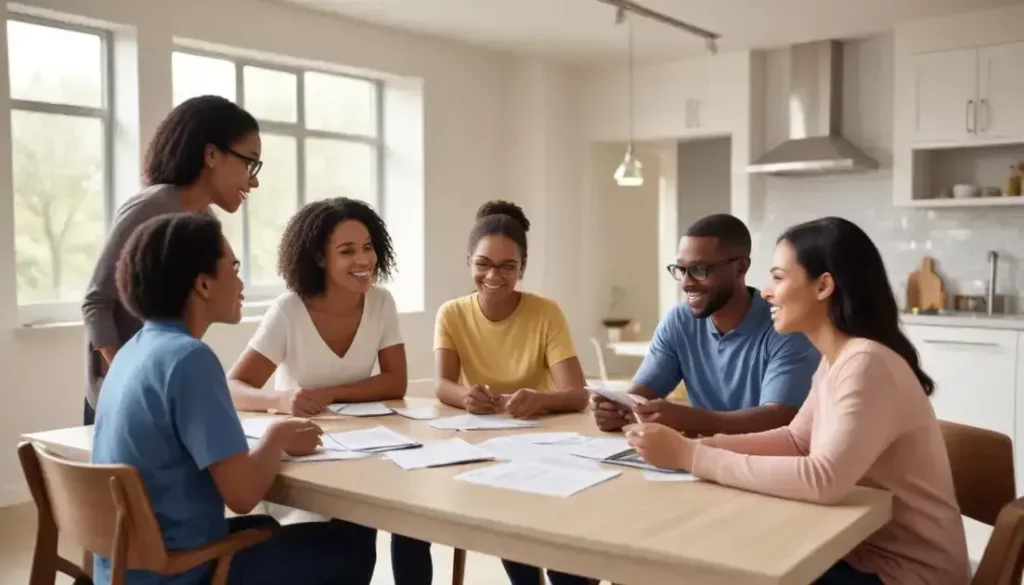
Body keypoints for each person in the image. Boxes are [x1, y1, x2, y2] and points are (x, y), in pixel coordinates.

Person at [625, 217, 971, 585]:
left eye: (778, 277)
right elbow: (795, 441)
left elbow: (823, 478)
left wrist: (690, 457)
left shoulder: (866, 363)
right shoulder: (837, 360)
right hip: (855, 554)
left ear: (823, 286)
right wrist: (697, 446)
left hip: (903, 574)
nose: (768, 292)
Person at [91, 213, 376, 585]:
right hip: (182, 570)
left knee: (269, 525)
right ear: (203, 285)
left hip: (125, 568)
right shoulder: (190, 359)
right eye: (234, 267)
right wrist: (279, 436)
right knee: (353, 541)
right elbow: (242, 495)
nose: (241, 281)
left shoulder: (133, 350)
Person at [227, 197, 431, 585]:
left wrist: (329, 393)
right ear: (320, 259)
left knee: (411, 518)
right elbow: (233, 386)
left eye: (368, 247)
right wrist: (281, 400)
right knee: (347, 542)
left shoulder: (381, 303)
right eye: (347, 251)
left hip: (366, 452)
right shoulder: (289, 310)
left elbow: (395, 381)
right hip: (307, 460)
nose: (364, 259)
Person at [434, 200, 589, 585]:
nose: (493, 275)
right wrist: (466, 397)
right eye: (483, 263)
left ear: (523, 266)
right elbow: (442, 385)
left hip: (544, 445)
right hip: (484, 445)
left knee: (555, 546)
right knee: (504, 519)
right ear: (468, 261)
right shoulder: (451, 313)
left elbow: (577, 393)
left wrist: (540, 399)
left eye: (507, 266)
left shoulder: (545, 312)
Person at [81, 95, 262, 426]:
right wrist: (129, 378)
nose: (253, 180)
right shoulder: (151, 208)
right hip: (125, 396)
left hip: (160, 389)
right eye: (249, 163)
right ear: (211, 155)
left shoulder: (204, 219)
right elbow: (96, 300)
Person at [592, 213, 819, 437]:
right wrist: (615, 411)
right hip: (699, 460)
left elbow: (779, 418)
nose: (686, 283)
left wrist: (689, 419)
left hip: (768, 464)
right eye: (681, 270)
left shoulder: (785, 326)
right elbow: (639, 397)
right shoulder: (679, 322)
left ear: (740, 268)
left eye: (700, 270)